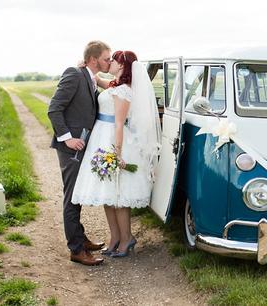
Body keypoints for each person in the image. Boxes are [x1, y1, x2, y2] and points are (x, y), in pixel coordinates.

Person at [71, 50, 161, 257]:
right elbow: (98, 79)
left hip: (113, 141)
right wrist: (83, 66)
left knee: (119, 195)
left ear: (122, 65)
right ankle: (115, 237)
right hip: (101, 138)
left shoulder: (124, 91)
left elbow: (119, 125)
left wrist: (117, 153)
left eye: (114, 60)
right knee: (108, 194)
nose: (110, 62)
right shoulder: (115, 86)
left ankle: (126, 238)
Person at [48, 40, 111, 266]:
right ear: (93, 59)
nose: (109, 61)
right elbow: (54, 108)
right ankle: (76, 250)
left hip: (83, 145)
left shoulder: (90, 77)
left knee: (77, 195)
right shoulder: (74, 74)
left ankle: (80, 239)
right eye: (106, 58)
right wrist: (67, 138)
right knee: (71, 198)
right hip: (71, 147)